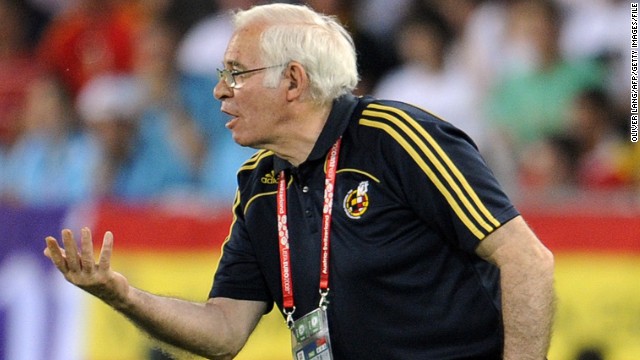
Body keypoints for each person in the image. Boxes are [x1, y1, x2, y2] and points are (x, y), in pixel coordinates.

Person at [44, 3, 555, 359]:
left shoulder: (395, 137)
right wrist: (122, 295)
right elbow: (223, 331)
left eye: (237, 73)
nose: (220, 91)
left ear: (293, 80)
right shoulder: (261, 185)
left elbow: (526, 259)